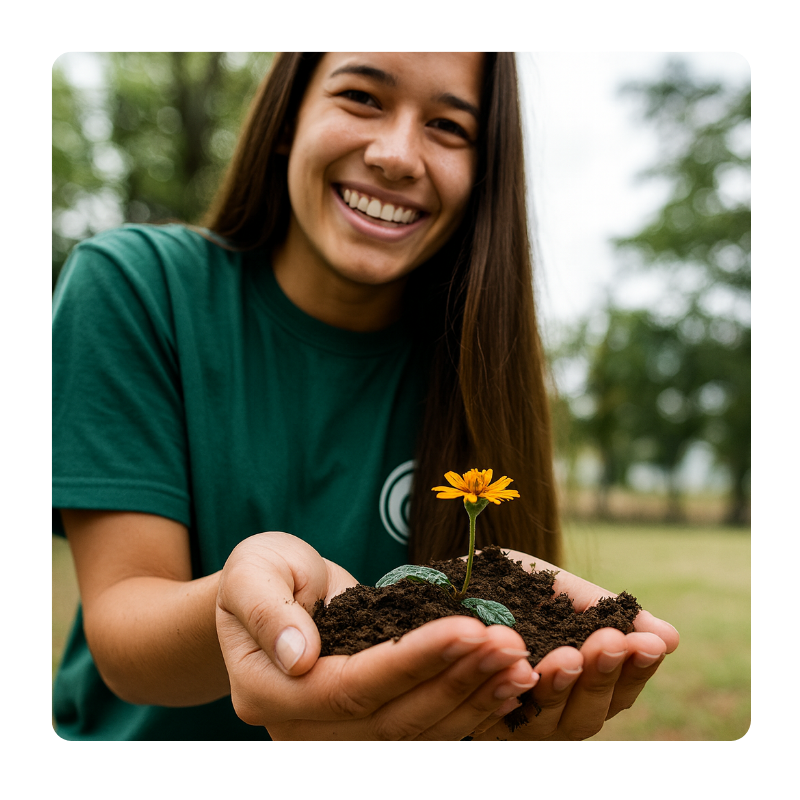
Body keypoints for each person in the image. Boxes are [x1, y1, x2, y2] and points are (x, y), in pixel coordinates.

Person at [51, 51, 679, 741]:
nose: (397, 155)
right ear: (287, 119)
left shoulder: (476, 366)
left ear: (483, 173)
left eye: (447, 125)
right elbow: (126, 643)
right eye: (361, 98)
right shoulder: (138, 289)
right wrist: (255, 597)